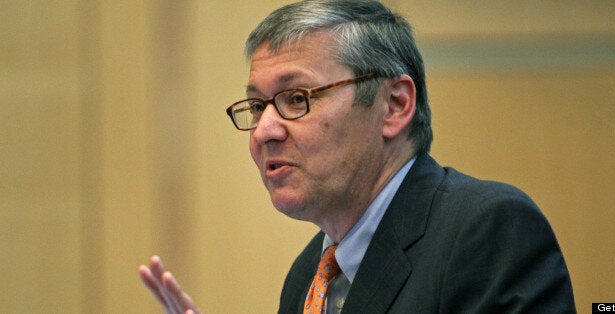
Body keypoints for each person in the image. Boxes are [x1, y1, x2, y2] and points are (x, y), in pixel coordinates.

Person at [139, 0, 576, 313]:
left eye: (296, 98)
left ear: (394, 105)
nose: (265, 131)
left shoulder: (486, 230)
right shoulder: (307, 275)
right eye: (257, 107)